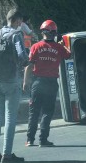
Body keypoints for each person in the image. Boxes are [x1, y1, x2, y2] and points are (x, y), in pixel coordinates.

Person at [0, 8, 29, 163]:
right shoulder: (16, 35)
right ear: (17, 20)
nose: (21, 24)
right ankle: (7, 155)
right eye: (21, 21)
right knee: (10, 117)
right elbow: (22, 56)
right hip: (12, 80)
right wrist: (27, 61)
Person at [23, 19, 71, 147]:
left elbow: (29, 66)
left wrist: (25, 82)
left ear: (42, 32)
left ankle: (30, 140)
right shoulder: (59, 48)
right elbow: (69, 55)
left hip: (37, 83)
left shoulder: (35, 46)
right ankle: (43, 140)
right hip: (51, 83)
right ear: (54, 33)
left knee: (34, 112)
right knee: (47, 112)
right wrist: (62, 43)